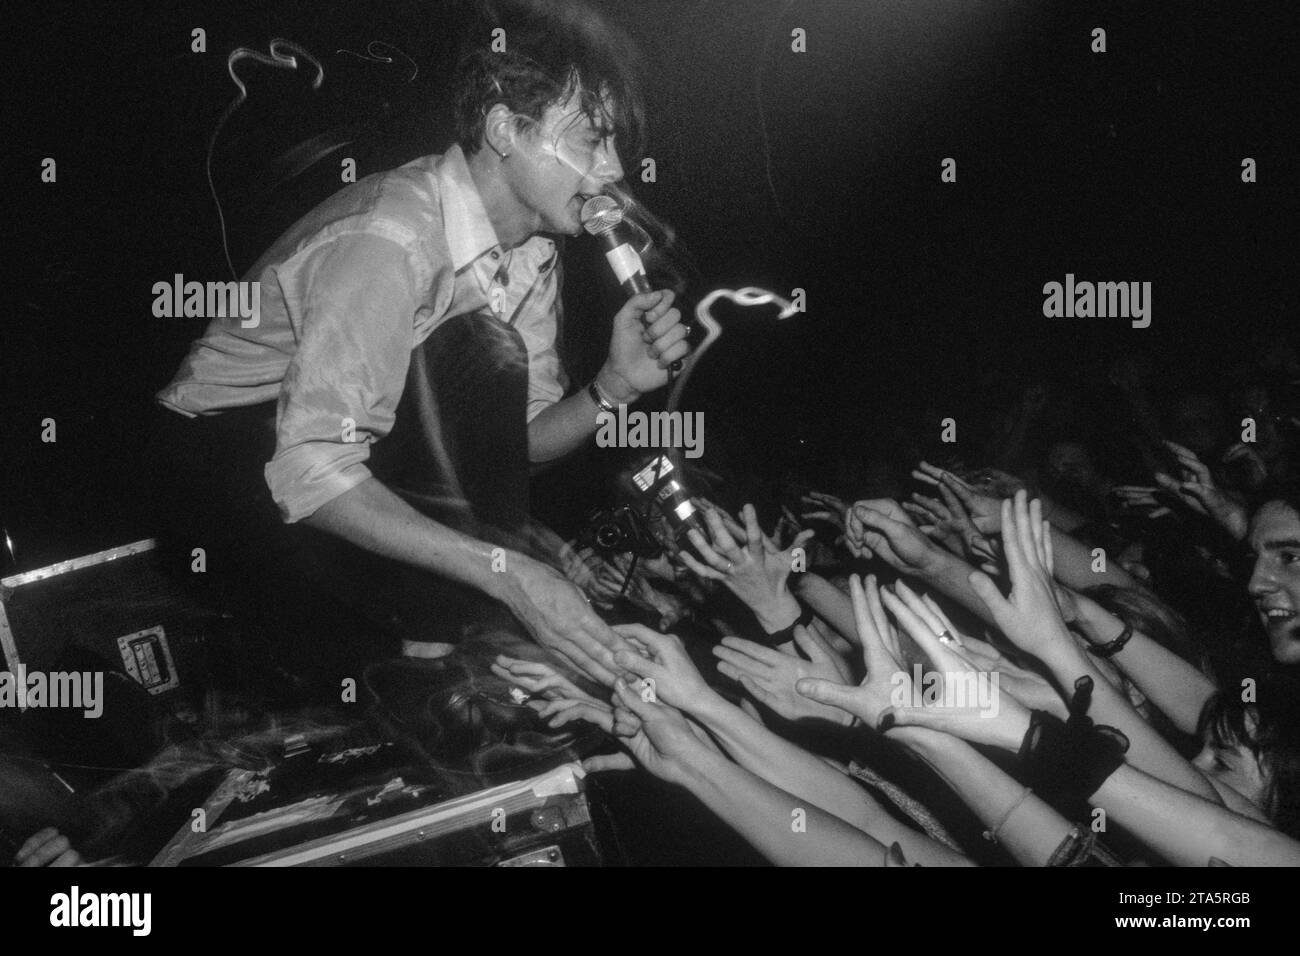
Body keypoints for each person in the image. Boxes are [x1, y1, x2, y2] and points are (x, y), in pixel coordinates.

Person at [145, 7, 690, 687]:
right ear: (503, 130)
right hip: (221, 461)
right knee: (476, 347)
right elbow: (310, 470)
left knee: (484, 357)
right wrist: (509, 576)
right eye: (589, 138)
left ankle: (438, 657)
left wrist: (612, 386)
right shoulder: (392, 239)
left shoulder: (531, 250)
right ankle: (431, 663)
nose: (611, 167)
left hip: (334, 452)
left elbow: (510, 444)